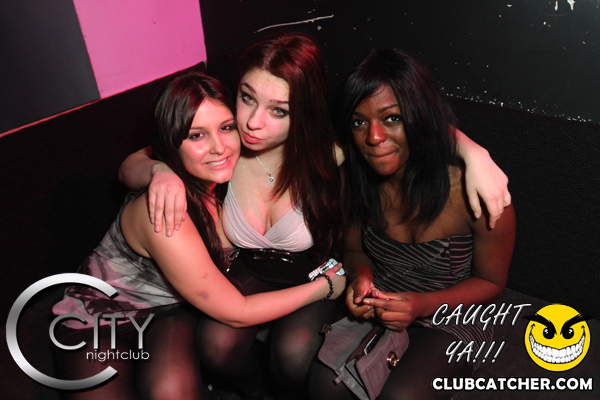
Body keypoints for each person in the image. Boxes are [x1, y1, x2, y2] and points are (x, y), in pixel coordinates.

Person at [119, 32, 512, 399]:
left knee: (294, 353)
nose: (254, 122)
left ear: (303, 112)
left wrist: (474, 152)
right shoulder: (224, 145)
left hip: (314, 271)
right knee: (217, 344)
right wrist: (160, 172)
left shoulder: (330, 151)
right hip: (249, 269)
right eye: (247, 98)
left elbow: (401, 124)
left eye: (279, 110)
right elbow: (137, 161)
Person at [51, 70, 346, 400]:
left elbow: (134, 163)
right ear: (171, 144)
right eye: (197, 135)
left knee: (172, 393)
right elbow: (236, 311)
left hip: (169, 310)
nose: (219, 148)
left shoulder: (225, 175)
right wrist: (325, 286)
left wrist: (157, 168)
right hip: (100, 315)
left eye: (226, 127)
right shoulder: (166, 209)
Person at [307, 49, 516, 400]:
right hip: (386, 298)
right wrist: (361, 279)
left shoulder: (474, 191)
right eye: (359, 122)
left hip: (456, 312)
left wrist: (421, 304)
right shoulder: (354, 179)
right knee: (323, 387)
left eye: (392, 118)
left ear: (418, 116)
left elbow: (492, 282)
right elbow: (354, 250)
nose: (374, 137)